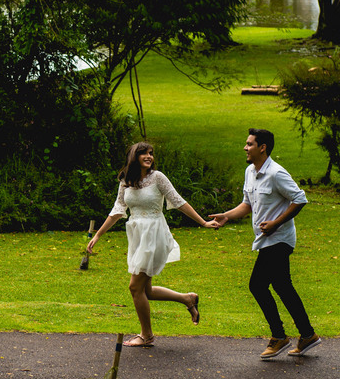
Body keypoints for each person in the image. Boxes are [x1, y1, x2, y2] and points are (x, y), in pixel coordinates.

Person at [87, 141, 214, 347]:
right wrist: (98, 235)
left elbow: (178, 201)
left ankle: (146, 336)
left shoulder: (158, 177)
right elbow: (118, 210)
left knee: (135, 287)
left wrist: (203, 222)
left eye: (151, 153)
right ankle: (188, 299)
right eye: (144, 153)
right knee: (146, 291)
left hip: (155, 234)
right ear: (134, 156)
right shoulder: (126, 181)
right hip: (137, 236)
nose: (149, 156)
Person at [209, 128, 322, 360]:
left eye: (249, 144)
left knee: (257, 285)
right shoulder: (250, 171)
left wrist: (276, 223)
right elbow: (247, 204)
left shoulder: (276, 173)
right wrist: (227, 216)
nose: (245, 148)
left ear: (263, 148)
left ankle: (279, 336)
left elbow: (300, 199)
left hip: (279, 239)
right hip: (265, 240)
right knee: (282, 286)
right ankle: (308, 334)